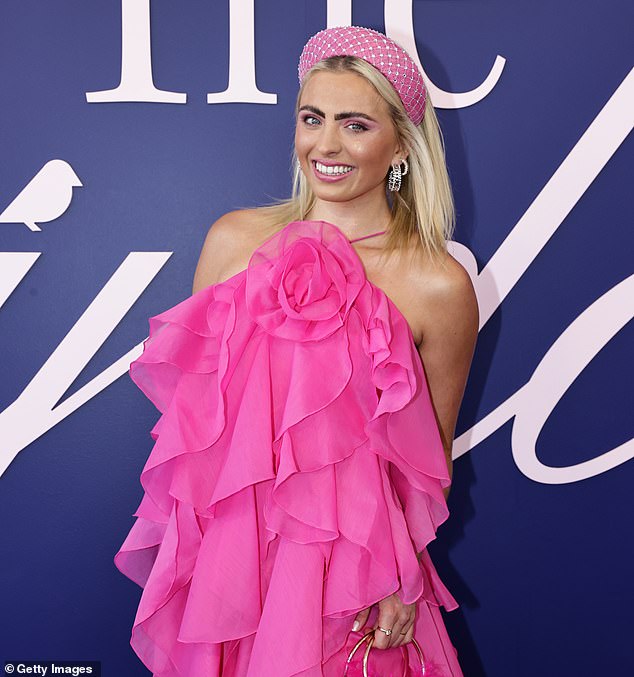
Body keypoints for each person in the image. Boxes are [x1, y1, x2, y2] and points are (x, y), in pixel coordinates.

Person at [114, 25, 478, 676]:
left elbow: (428, 461)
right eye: (313, 118)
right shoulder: (233, 242)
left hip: (355, 578)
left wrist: (397, 576)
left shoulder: (437, 286)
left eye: (356, 125)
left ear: (401, 146)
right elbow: (198, 429)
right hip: (235, 566)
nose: (326, 144)